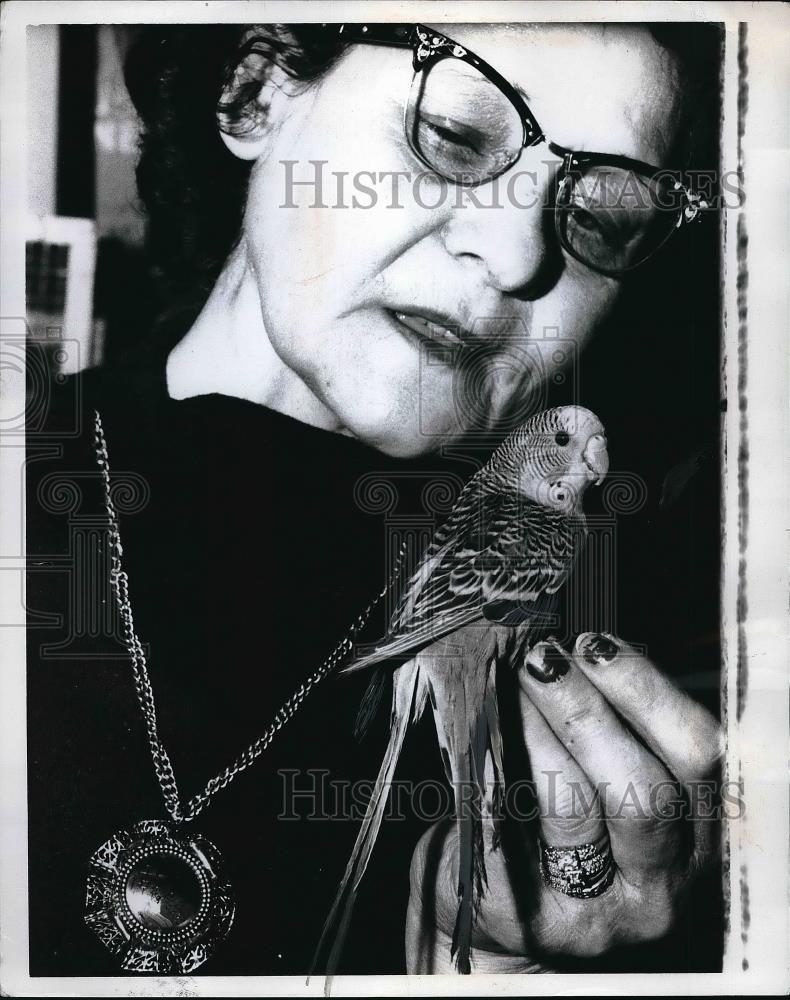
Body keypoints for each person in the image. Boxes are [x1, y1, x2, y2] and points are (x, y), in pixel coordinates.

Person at [26, 21, 724, 978]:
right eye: (452, 138)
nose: (518, 257)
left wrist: (487, 968)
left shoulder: (589, 636)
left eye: (599, 216)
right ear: (256, 94)